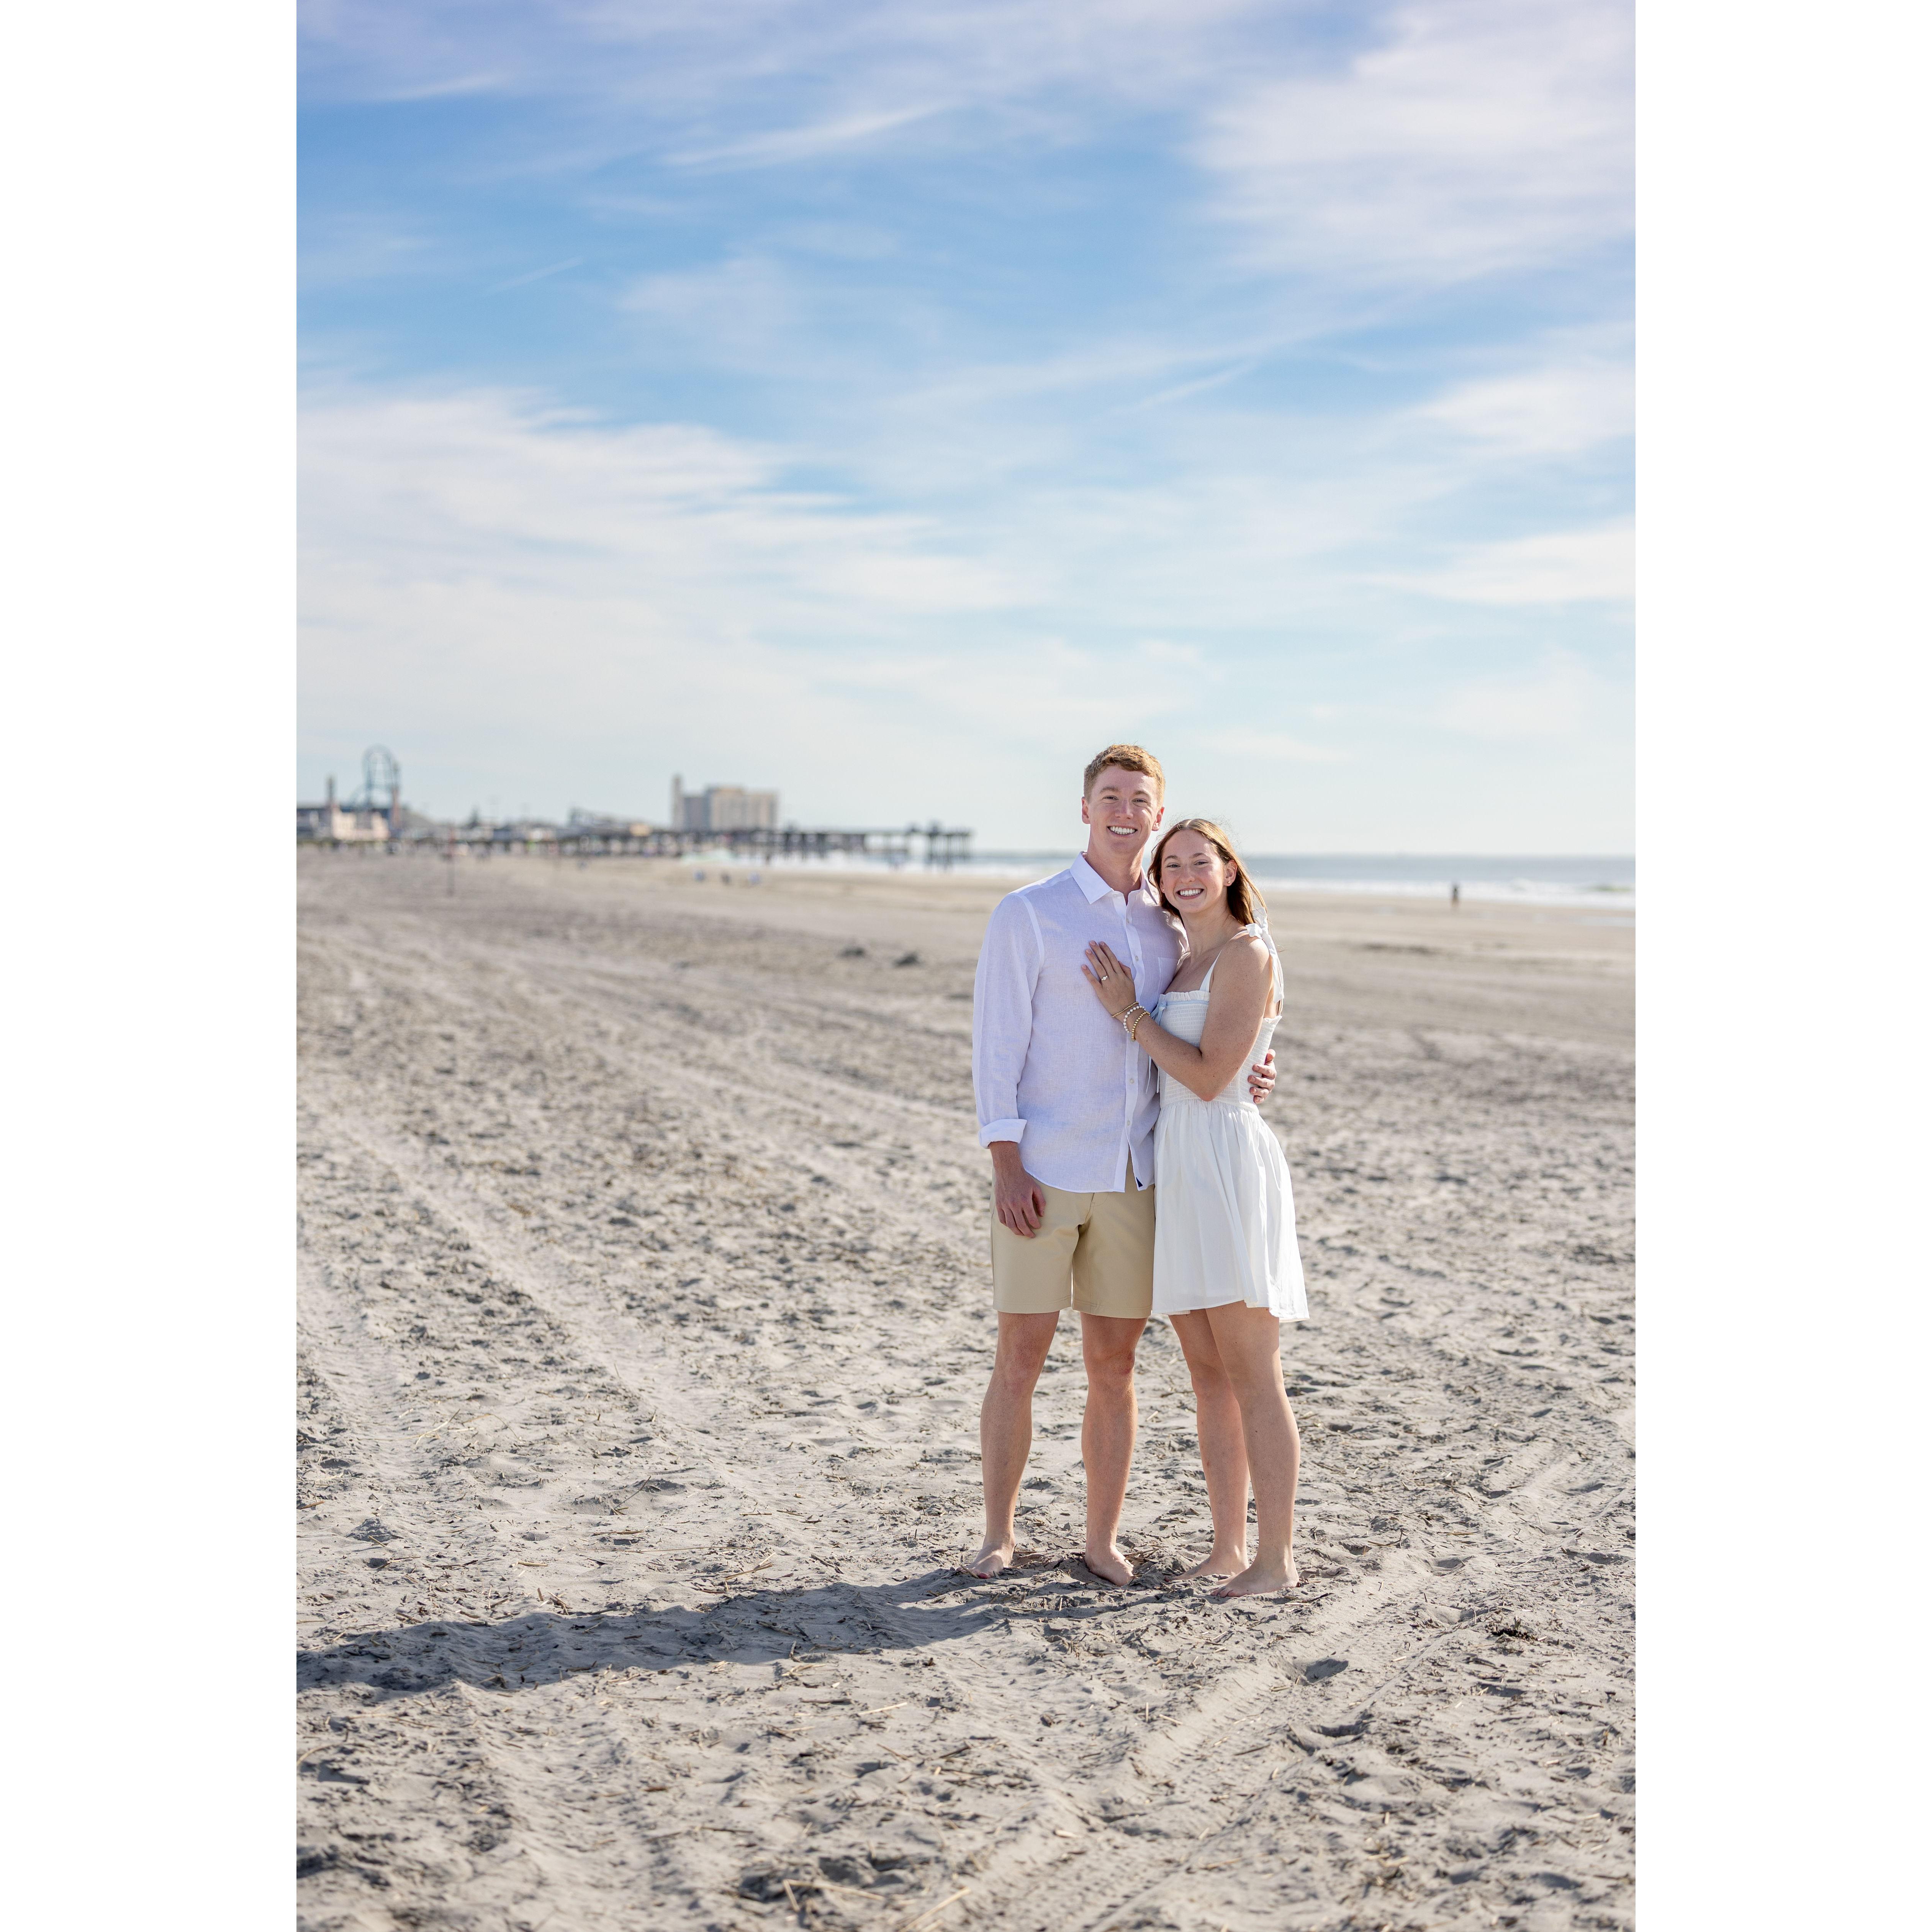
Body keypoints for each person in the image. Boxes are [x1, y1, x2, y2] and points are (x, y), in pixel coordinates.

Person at [965, 748, 1275, 1583]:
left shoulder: (1172, 921)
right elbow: (996, 1046)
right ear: (1085, 808)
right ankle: (997, 1535)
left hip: (1139, 1175)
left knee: (1114, 1367)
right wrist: (1004, 1160)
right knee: (1019, 1360)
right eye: (1110, 797)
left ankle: (1101, 1539)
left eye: (1140, 800)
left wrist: (1252, 1071)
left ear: (1157, 813)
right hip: (1042, 1170)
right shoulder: (1030, 912)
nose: (1125, 813)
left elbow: (1210, 1025)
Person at [1082, 818, 1308, 1597]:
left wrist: (1129, 1013)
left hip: (1224, 1162)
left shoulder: (1247, 953)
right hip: (1178, 1165)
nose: (1183, 874)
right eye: (1170, 864)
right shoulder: (1185, 957)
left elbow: (1212, 1079)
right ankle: (1228, 1548)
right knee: (1208, 1376)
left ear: (1228, 869)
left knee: (1253, 1372)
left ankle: (1276, 1559)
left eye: (1198, 861)